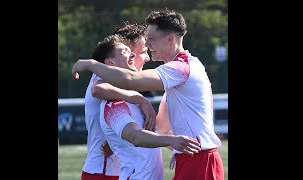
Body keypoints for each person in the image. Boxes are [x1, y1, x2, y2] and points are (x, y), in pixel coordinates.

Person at [72, 9, 224, 180]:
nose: (148, 47)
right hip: (190, 158)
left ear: (170, 39)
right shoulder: (180, 73)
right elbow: (159, 129)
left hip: (199, 158)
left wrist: (89, 64)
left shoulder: (181, 68)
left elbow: (130, 79)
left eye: (151, 40)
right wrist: (121, 136)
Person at [85, 34, 201, 180]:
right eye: (126, 51)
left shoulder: (131, 97)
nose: (136, 55)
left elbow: (151, 135)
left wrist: (180, 147)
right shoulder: (114, 103)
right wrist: (171, 140)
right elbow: (136, 136)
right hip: (104, 173)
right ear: (110, 64)